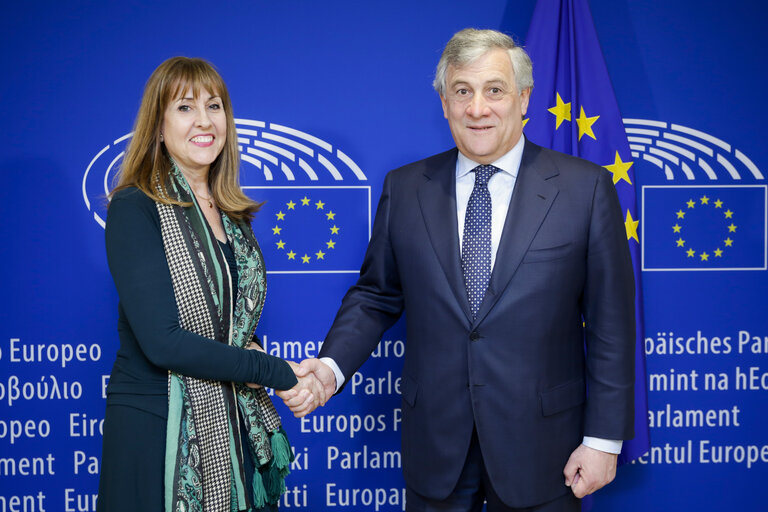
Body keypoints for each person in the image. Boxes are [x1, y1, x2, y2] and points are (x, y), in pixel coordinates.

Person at [284, 29, 636, 511]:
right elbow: (375, 295)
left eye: (495, 90)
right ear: (445, 102)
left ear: (524, 98)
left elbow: (611, 325)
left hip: (544, 449)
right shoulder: (406, 188)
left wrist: (604, 440)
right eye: (462, 92)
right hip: (436, 446)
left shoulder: (585, 189)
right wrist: (329, 368)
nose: (477, 108)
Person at [97, 57, 323, 512]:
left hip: (231, 420)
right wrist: (275, 372)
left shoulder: (234, 217)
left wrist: (256, 351)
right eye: (185, 107)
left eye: (214, 106)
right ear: (158, 126)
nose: (204, 121)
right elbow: (163, 342)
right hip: (157, 429)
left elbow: (230, 325)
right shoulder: (134, 208)